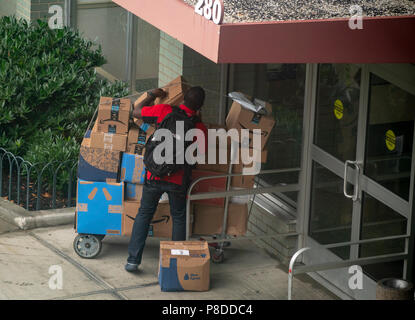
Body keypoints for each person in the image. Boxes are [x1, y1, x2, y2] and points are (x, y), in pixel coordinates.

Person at [125, 86, 208, 272]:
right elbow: (199, 156)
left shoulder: (165, 111)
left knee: (144, 214)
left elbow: (136, 111)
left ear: (182, 98)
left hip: (154, 173)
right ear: (200, 106)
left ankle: (133, 260)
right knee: (179, 218)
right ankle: (176, 264)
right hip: (178, 180)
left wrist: (152, 94)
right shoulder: (200, 128)